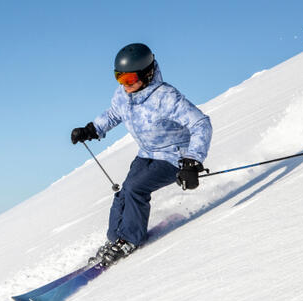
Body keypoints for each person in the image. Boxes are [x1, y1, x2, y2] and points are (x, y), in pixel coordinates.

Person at [70, 43, 213, 266]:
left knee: (136, 188)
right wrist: (92, 129)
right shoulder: (123, 95)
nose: (124, 85)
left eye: (129, 79)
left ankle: (129, 239)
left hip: (175, 156)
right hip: (147, 153)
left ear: (147, 74)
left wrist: (192, 161)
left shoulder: (166, 97)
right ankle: (116, 238)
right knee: (125, 190)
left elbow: (201, 123)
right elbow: (114, 114)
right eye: (119, 78)